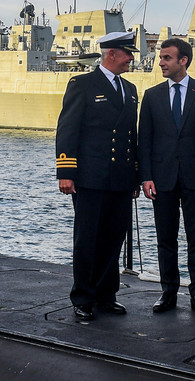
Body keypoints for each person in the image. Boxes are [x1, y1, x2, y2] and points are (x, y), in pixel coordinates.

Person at [56, 30, 140, 322]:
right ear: (112, 54)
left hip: (119, 178)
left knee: (113, 238)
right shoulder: (83, 84)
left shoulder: (129, 89)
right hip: (90, 178)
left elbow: (131, 136)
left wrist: (135, 177)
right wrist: (66, 172)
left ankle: (107, 295)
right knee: (88, 239)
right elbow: (68, 129)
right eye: (128, 53)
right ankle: (83, 297)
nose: (131, 59)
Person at [139, 38, 195, 317]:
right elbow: (144, 139)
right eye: (161, 58)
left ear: (183, 60)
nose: (161, 62)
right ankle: (168, 291)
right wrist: (145, 176)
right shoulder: (152, 95)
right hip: (162, 179)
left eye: (167, 58)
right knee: (165, 238)